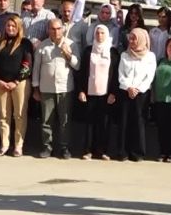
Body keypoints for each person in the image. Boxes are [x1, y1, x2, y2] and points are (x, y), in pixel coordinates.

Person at [32, 19, 80, 159]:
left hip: (65, 88)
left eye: (59, 28)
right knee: (46, 120)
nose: (56, 31)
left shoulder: (71, 44)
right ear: (48, 30)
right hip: (46, 88)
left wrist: (68, 54)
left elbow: (77, 66)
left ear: (63, 29)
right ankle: (47, 146)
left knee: (64, 120)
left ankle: (64, 147)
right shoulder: (43, 46)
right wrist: (35, 88)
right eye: (53, 29)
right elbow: (36, 68)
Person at [0, 15, 35, 157]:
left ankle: (18, 146)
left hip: (19, 83)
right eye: (8, 26)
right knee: (3, 115)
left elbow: (27, 64)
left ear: (19, 27)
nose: (10, 28)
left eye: (13, 26)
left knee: (19, 115)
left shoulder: (25, 43)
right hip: (0, 83)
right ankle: (4, 144)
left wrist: (15, 81)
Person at [77, 24, 120, 161]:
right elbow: (82, 72)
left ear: (107, 35)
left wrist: (113, 92)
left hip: (106, 94)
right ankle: (88, 151)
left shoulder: (113, 52)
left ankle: (103, 151)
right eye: (97, 33)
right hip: (90, 92)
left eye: (102, 33)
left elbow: (115, 75)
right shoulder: (88, 51)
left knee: (104, 123)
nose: (99, 36)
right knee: (90, 123)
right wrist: (81, 90)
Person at [117, 28, 156, 162]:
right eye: (131, 38)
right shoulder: (124, 55)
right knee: (125, 121)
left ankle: (137, 152)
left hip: (141, 94)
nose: (132, 41)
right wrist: (129, 87)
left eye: (135, 39)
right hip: (126, 91)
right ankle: (123, 152)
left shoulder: (150, 56)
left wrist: (137, 89)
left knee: (138, 122)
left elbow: (149, 76)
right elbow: (121, 74)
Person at [153, 37, 171, 162]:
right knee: (162, 127)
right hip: (160, 99)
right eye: (170, 46)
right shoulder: (160, 61)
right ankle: (163, 152)